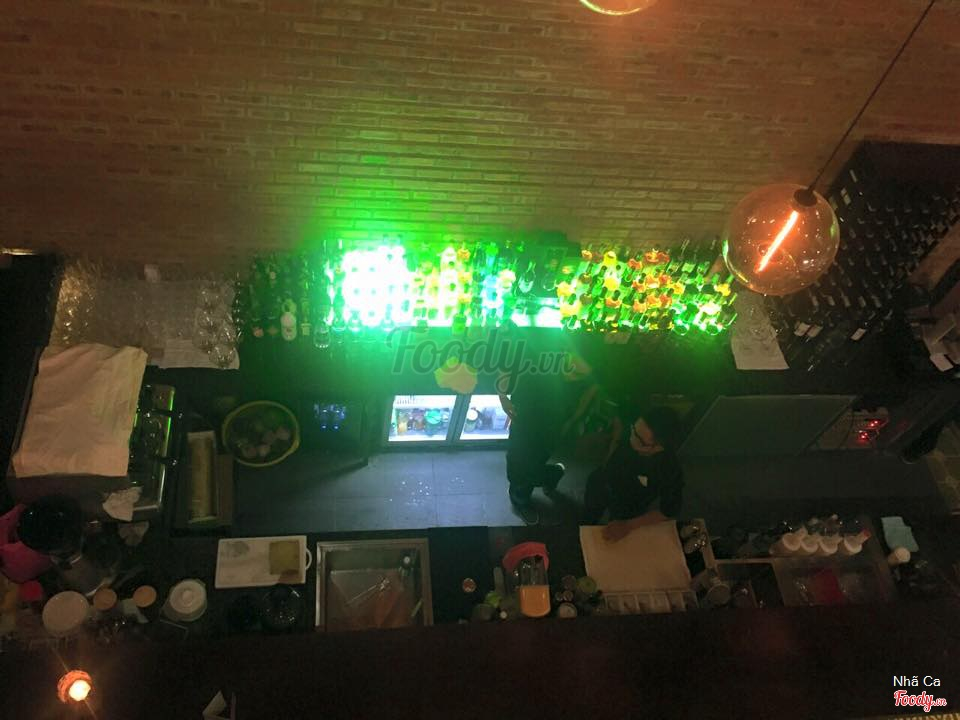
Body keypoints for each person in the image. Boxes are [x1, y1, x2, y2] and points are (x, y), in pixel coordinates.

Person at [498, 353, 598, 525]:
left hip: (552, 426)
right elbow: (508, 359)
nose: (572, 373)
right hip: (524, 419)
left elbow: (583, 402)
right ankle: (528, 493)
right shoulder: (544, 359)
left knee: (535, 461)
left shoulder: (589, 380)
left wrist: (570, 423)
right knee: (516, 465)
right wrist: (502, 396)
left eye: (579, 373)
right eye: (571, 366)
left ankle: (536, 486)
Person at [583, 404, 683, 542]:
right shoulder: (635, 434)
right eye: (633, 430)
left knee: (613, 537)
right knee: (589, 515)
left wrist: (628, 525)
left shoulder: (668, 468)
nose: (631, 439)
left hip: (629, 504)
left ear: (660, 447)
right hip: (602, 481)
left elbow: (669, 509)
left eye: (640, 440)